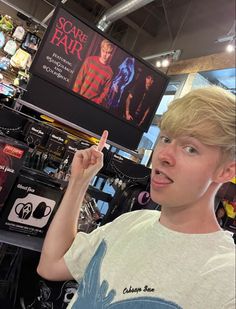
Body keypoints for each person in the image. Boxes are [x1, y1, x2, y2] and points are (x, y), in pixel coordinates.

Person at [37, 86, 236, 308]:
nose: (164, 155)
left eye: (190, 149)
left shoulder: (226, 277)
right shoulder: (129, 223)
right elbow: (51, 265)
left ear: (226, 171)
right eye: (166, 139)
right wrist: (79, 183)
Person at [72, 39, 114, 106]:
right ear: (100, 49)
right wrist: (74, 95)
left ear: (111, 54)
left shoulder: (110, 73)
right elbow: (79, 79)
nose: (105, 54)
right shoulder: (90, 60)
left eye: (108, 52)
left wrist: (96, 103)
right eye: (103, 51)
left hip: (91, 104)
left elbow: (105, 93)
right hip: (78, 97)